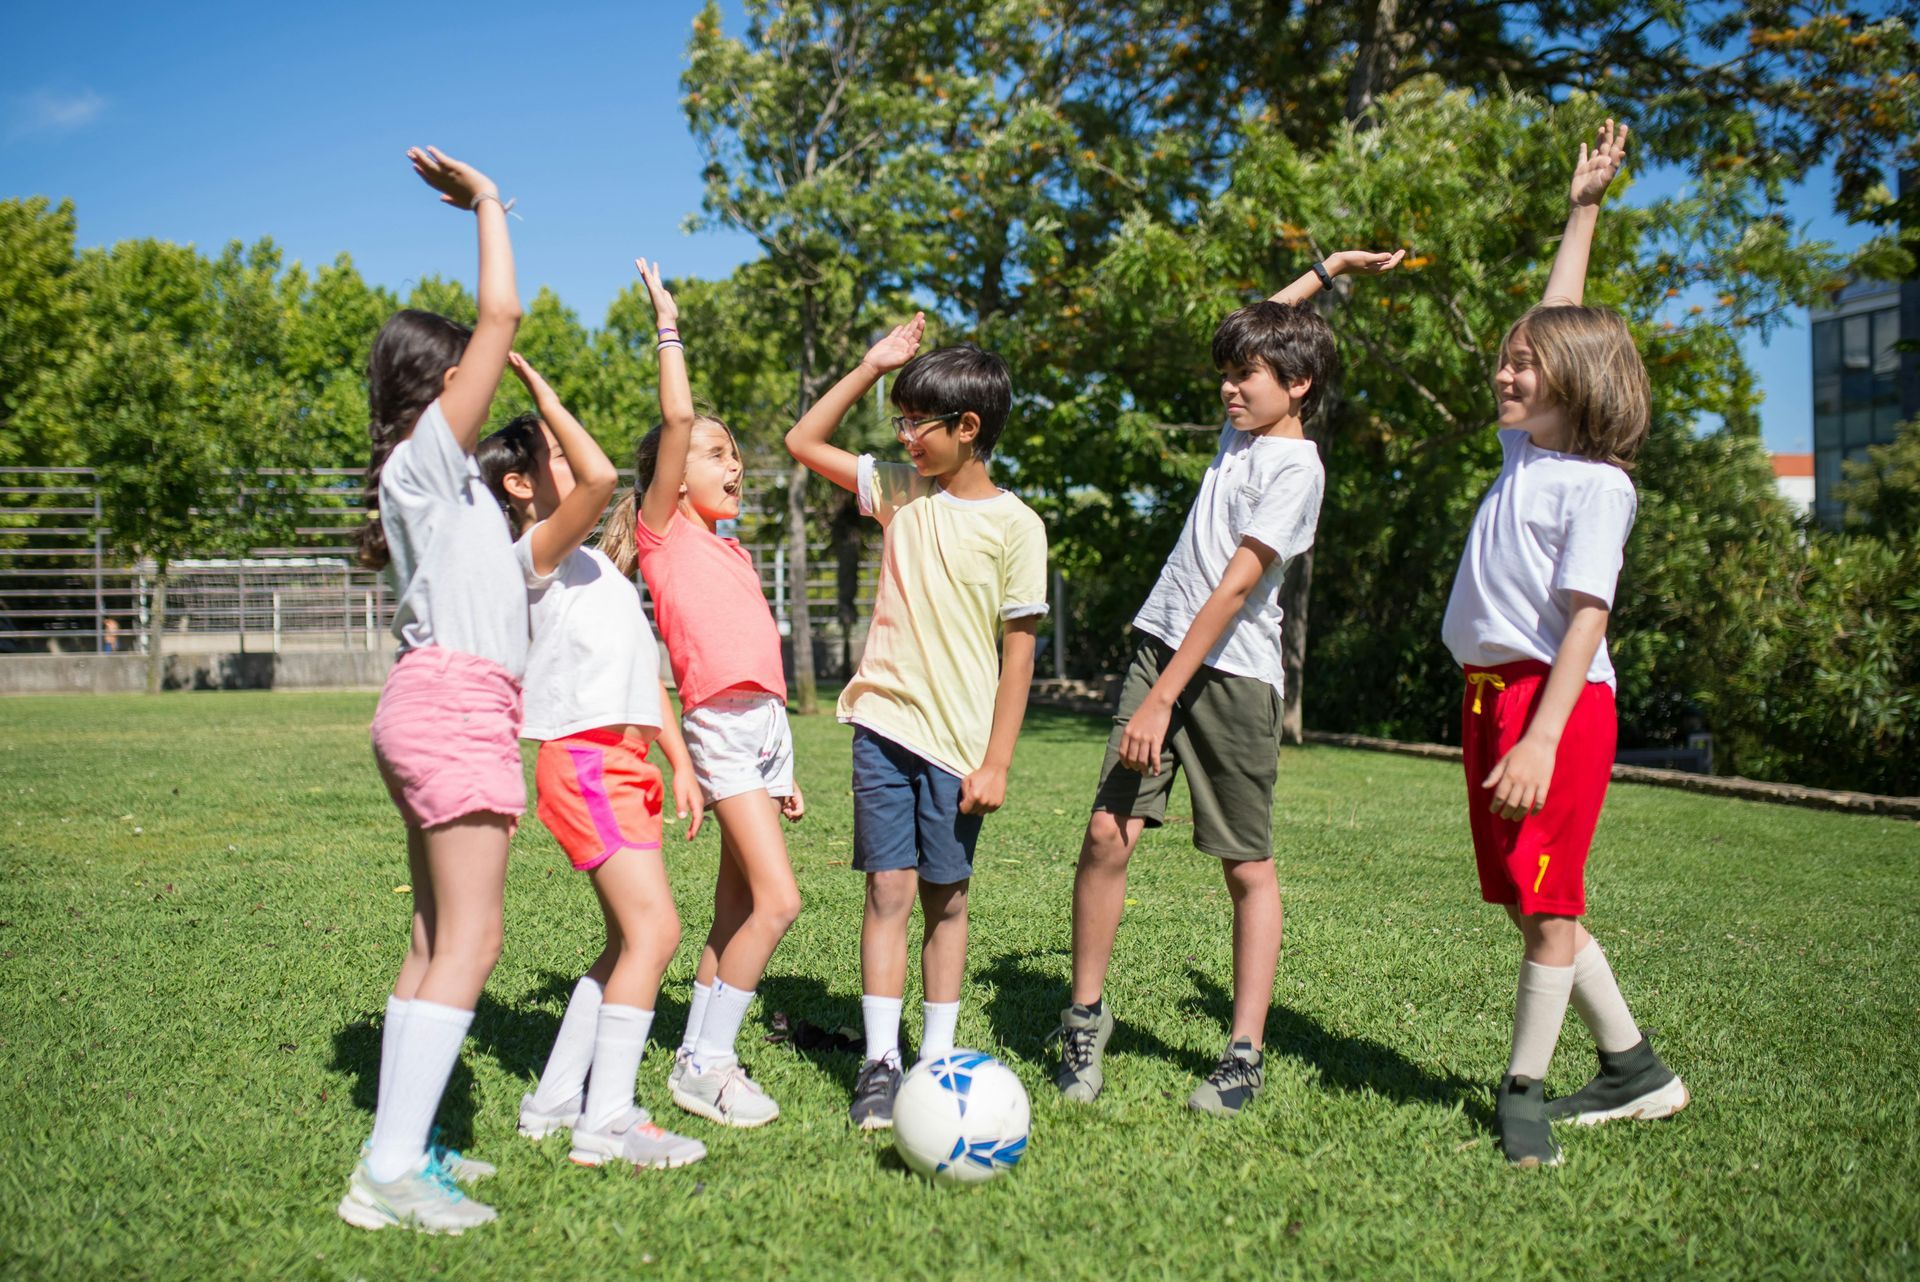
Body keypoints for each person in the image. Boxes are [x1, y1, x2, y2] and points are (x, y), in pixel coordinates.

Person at [1054, 246, 1405, 1116]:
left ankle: (1243, 1052)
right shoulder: (1239, 433)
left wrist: (1166, 696)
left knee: (1245, 863)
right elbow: (1266, 321)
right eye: (1227, 374)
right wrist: (1328, 272)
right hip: (1159, 651)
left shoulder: (1296, 467)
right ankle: (1084, 1019)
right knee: (1107, 835)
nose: (1228, 388)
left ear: (1299, 385)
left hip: (1230, 680)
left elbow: (1238, 586)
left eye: (1245, 376)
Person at [1438, 121, 1687, 1167]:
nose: (1507, 370)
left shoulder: (1597, 485)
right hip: (1493, 697)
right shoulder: (1526, 457)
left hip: (1558, 704)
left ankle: (1525, 1091)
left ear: (1575, 383)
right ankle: (1634, 1067)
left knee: (1549, 906)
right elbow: (1556, 312)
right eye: (1506, 358)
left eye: (1527, 365)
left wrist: (1540, 737)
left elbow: (1589, 616)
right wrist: (1581, 210)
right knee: (1530, 900)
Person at [785, 315, 1048, 1130]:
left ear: (968, 429)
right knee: (888, 888)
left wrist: (997, 762)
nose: (903, 437)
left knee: (947, 898)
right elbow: (803, 439)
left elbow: (1019, 654)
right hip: (883, 725)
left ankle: (938, 1060)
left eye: (915, 424)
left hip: (959, 747)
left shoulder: (1017, 525)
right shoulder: (900, 493)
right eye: (898, 422)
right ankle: (880, 1062)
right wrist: (871, 364)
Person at [338, 146, 522, 1234]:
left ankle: (410, 1142)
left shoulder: (441, 481)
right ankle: (388, 1170)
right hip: (454, 703)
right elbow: (500, 314)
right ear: (438, 380)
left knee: (433, 936)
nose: (484, 384)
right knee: (473, 940)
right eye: (470, 371)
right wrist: (489, 202)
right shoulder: (424, 454)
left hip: (446, 698)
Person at [477, 351, 707, 1171]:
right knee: (656, 933)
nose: (577, 461)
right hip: (583, 763)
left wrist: (677, 758)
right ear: (521, 485)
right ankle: (607, 1119)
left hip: (623, 760)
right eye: (557, 454)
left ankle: (552, 1101)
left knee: (625, 945)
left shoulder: (594, 573)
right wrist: (540, 392)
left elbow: (640, 670)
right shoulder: (533, 557)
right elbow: (604, 478)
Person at [599, 259, 803, 1129]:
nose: (735, 465)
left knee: (732, 910)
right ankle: (706, 1062)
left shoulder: (731, 551)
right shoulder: (664, 533)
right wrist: (668, 326)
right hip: (718, 725)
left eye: (736, 454)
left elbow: (758, 666)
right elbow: (677, 414)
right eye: (717, 453)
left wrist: (784, 759)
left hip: (759, 726)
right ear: (674, 475)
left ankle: (697, 1049)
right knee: (779, 902)